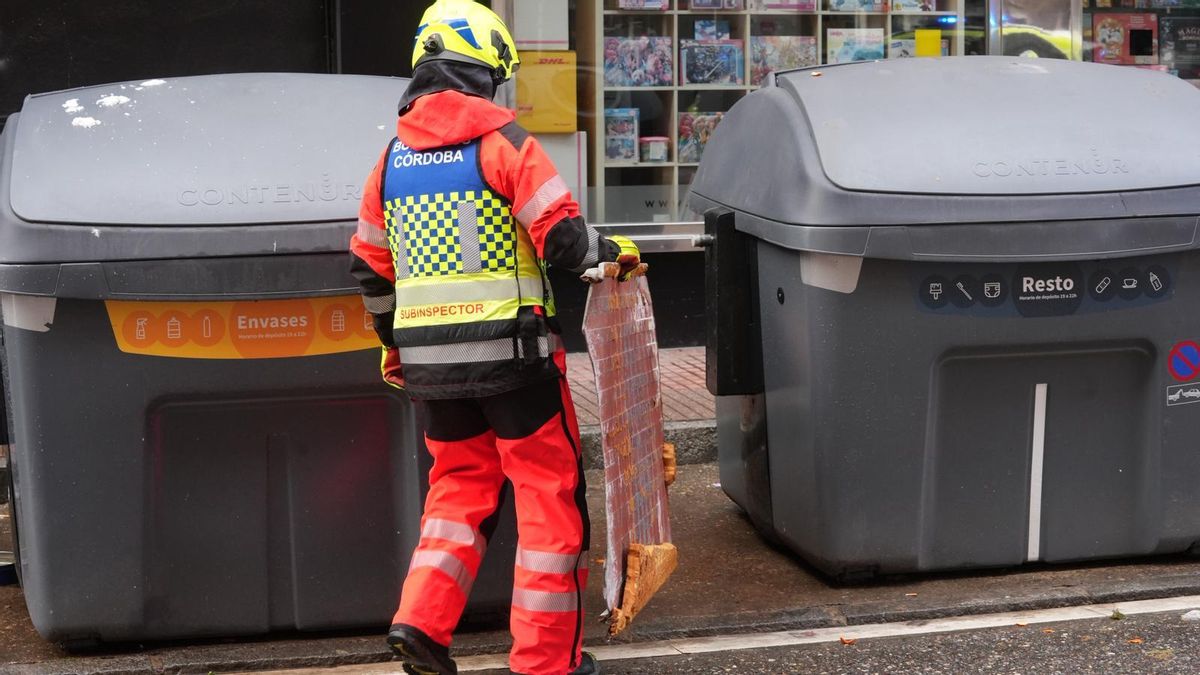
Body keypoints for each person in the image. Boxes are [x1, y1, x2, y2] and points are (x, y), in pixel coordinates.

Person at [348, 2, 640, 674]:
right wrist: (615, 248)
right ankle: (545, 662)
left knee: (456, 493)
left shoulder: (390, 164)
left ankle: (420, 625)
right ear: (483, 71)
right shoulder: (504, 144)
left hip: (433, 374)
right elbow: (565, 241)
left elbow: (368, 267)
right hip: (516, 365)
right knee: (548, 503)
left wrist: (393, 344)